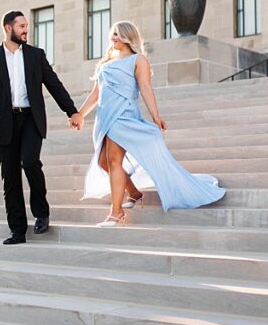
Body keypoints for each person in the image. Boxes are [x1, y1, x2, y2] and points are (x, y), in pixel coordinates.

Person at [72, 21, 225, 226]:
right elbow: (96, 93)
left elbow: (145, 88)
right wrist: (80, 114)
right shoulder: (105, 64)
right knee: (103, 163)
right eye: (112, 34)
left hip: (123, 116)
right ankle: (134, 192)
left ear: (128, 36)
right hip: (104, 117)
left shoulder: (138, 60)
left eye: (117, 34)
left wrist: (155, 116)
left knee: (114, 161)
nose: (113, 38)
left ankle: (116, 213)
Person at [0, 10, 82, 244]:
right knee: (10, 177)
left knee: (30, 162)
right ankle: (17, 231)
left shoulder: (36, 55)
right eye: (22, 26)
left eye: (27, 25)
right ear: (8, 28)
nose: (26, 30)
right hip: (5, 122)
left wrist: (72, 111)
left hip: (31, 119)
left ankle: (41, 213)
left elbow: (54, 84)